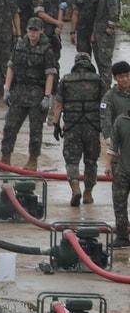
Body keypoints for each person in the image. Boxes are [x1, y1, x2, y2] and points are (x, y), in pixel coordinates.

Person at [1, 19, 58, 167]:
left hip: (37, 93)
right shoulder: (19, 45)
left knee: (35, 130)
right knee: (10, 126)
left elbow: (50, 74)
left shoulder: (47, 50)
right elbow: (11, 67)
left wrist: (47, 96)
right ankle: (5, 158)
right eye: (30, 29)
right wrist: (6, 89)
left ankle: (33, 160)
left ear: (41, 31)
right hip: (19, 91)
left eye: (35, 30)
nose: (32, 33)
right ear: (26, 30)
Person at [51, 53, 104, 206]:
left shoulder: (66, 80)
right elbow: (104, 104)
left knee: (72, 161)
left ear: (75, 63)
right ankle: (88, 193)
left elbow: (58, 104)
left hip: (72, 126)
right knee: (91, 161)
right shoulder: (98, 80)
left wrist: (56, 124)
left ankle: (75, 188)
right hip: (93, 127)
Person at [106, 61, 130, 242]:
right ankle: (122, 235)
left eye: (128, 75)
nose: (126, 79)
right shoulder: (110, 98)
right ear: (116, 78)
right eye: (122, 76)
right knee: (119, 199)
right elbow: (105, 121)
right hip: (119, 154)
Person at [92, 0, 121, 90]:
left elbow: (114, 12)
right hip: (99, 32)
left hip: (105, 34)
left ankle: (106, 89)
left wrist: (110, 26)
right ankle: (104, 87)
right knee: (100, 62)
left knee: (105, 63)